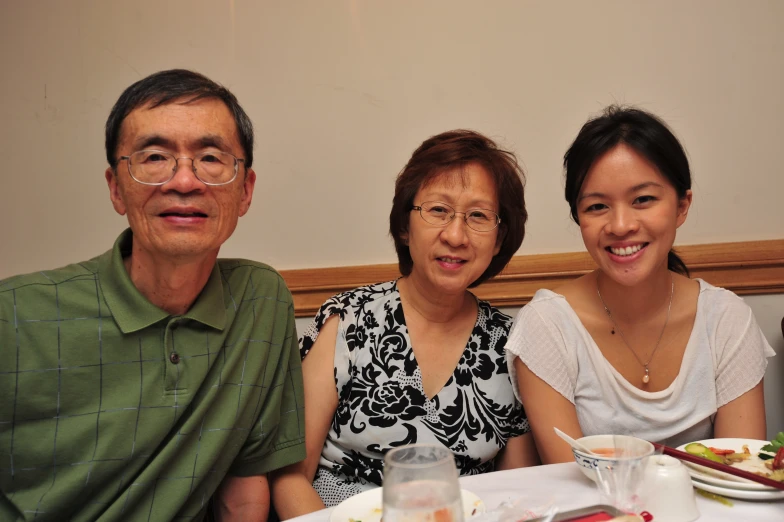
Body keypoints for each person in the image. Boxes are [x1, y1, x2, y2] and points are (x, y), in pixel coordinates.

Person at [0, 69, 305, 521]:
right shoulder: (15, 315)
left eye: (211, 158)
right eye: (156, 157)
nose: (184, 181)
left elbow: (243, 479)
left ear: (245, 191)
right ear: (115, 188)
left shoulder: (260, 299)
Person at [269, 129, 539, 518]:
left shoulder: (508, 345)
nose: (455, 235)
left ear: (499, 240)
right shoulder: (347, 321)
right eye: (438, 210)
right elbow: (291, 475)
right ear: (403, 226)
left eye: (478, 216)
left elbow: (514, 492)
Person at [505, 106, 776, 464]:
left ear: (682, 206)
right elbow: (570, 482)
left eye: (643, 200)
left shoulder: (726, 320)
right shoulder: (548, 325)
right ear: (579, 218)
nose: (620, 225)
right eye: (598, 206)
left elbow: (742, 472)